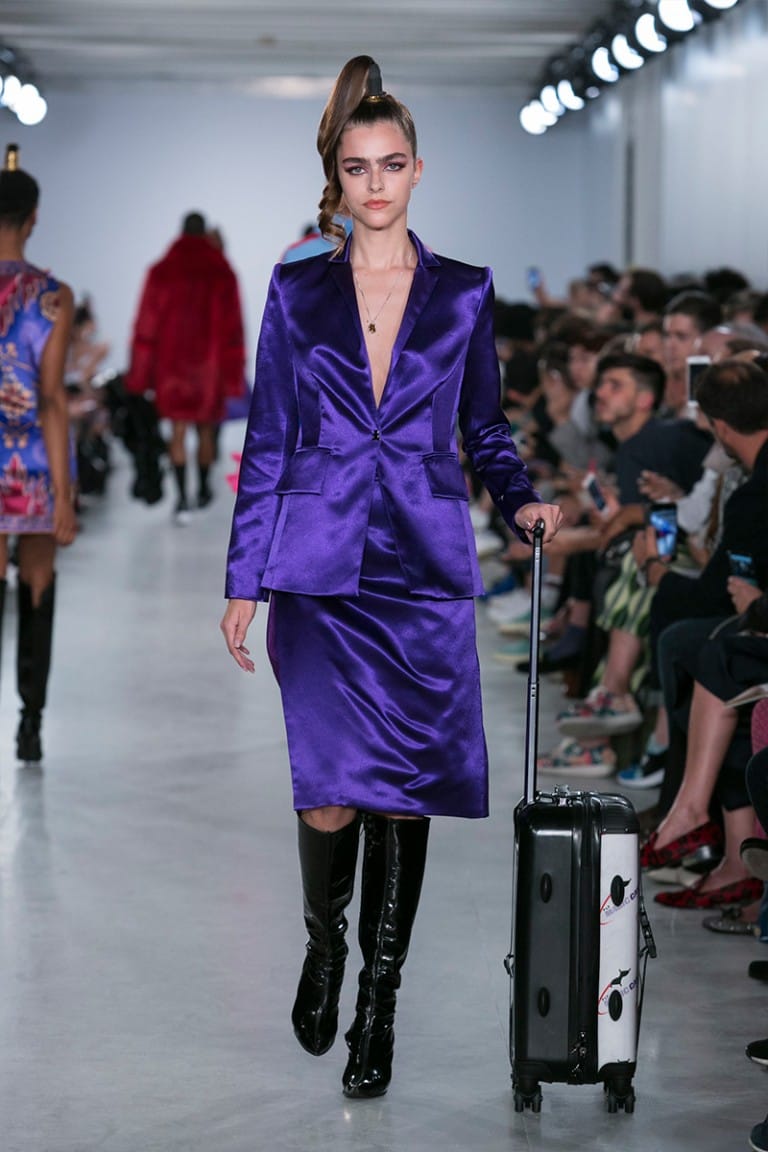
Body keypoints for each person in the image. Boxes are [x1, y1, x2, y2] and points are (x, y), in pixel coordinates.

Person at [219, 56, 562, 1099]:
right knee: (329, 792)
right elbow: (269, 438)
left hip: (419, 572)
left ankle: (380, 1002)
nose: (376, 183)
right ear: (339, 175)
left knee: (405, 797)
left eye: (393, 163)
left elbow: (484, 427)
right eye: (359, 166)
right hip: (316, 574)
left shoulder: (463, 291)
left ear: (419, 169)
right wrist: (244, 578)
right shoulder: (296, 289)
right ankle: (326, 946)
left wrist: (522, 498)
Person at [0, 143, 78, 761]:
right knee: (37, 583)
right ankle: (30, 723)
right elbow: (51, 398)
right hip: (30, 464)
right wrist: (64, 494)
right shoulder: (52, 296)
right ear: (33, 219)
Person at [126, 210, 245, 521]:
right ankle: (203, 489)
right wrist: (233, 376)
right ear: (204, 233)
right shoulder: (222, 271)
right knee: (205, 430)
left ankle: (182, 498)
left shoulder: (162, 271)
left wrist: (139, 376)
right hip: (209, 368)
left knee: (177, 431)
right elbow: (234, 329)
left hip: (171, 367)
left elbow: (146, 326)